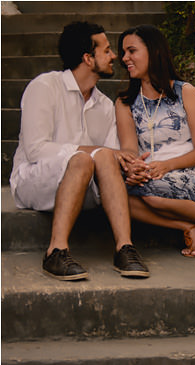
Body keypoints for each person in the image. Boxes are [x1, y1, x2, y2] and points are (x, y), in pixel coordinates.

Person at [9, 21, 150, 280]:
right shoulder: (45, 86)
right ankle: (56, 251)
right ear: (88, 58)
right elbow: (36, 150)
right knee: (84, 159)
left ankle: (125, 248)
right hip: (35, 180)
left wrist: (131, 168)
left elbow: (112, 158)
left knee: (103, 156)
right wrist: (89, 152)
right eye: (107, 50)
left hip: (85, 188)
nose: (115, 56)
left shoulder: (105, 106)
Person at [115, 24, 195, 258]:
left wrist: (166, 165)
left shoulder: (187, 93)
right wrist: (134, 166)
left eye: (132, 51)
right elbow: (130, 148)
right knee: (112, 194)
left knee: (149, 193)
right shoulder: (124, 102)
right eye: (123, 52)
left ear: (154, 52)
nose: (125, 58)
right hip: (152, 172)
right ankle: (187, 226)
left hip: (194, 169)